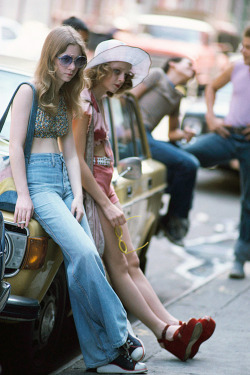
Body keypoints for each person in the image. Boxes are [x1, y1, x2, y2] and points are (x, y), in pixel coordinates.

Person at [9, 26, 149, 374]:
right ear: (51, 57)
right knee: (85, 252)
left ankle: (101, 356)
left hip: (64, 184)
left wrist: (75, 194)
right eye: (65, 59)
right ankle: (122, 336)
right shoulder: (29, 90)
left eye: (78, 60)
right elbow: (14, 146)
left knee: (85, 266)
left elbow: (72, 153)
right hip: (40, 184)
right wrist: (25, 194)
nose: (72, 67)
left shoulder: (65, 96)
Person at [73, 39, 216, 363]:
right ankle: (164, 334)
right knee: (119, 267)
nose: (122, 80)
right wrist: (105, 203)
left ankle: (173, 326)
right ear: (101, 69)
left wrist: (111, 195)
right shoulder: (83, 102)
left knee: (133, 263)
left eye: (126, 74)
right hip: (95, 196)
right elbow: (77, 162)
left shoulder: (100, 102)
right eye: (117, 72)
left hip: (108, 190)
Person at [184, 26, 250, 280]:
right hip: (227, 134)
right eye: (243, 45)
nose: (243, 51)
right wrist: (211, 118)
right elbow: (210, 87)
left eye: (248, 48)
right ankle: (176, 217)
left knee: (248, 203)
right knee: (186, 157)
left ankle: (239, 258)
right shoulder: (236, 66)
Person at [131, 57, 199, 246]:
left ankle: (172, 218)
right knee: (188, 163)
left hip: (148, 137)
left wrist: (184, 134)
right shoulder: (157, 75)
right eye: (189, 64)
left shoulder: (177, 96)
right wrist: (127, 129)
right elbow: (129, 98)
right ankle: (175, 222)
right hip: (136, 135)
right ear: (173, 64)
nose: (193, 69)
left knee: (190, 163)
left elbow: (172, 132)